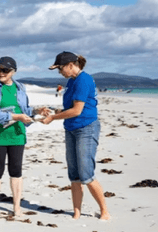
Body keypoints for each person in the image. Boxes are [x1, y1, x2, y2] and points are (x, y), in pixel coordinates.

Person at [0, 56, 49, 217]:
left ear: (13, 72)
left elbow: (25, 110)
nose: (1, 73)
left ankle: (17, 207)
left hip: (17, 134)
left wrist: (37, 111)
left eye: (5, 70)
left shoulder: (20, 87)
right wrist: (16, 117)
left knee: (16, 170)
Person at [42, 51, 111, 220]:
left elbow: (77, 110)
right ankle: (77, 212)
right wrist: (55, 111)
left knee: (86, 173)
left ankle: (104, 212)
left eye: (60, 69)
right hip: (71, 128)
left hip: (86, 128)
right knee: (74, 174)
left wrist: (52, 118)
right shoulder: (71, 82)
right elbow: (70, 108)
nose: (60, 72)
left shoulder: (83, 79)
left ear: (71, 65)